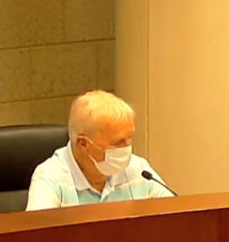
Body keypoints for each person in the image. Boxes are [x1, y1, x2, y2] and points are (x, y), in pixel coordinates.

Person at [26, 90, 173, 210]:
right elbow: (36, 240)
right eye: (118, 142)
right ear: (84, 144)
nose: (127, 147)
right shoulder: (50, 177)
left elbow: (175, 219)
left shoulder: (139, 170)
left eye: (130, 138)